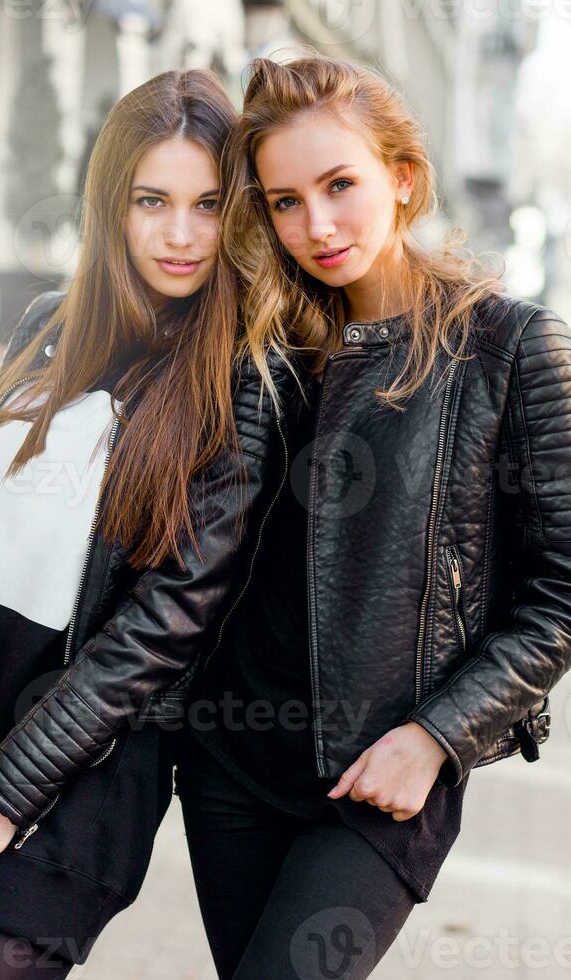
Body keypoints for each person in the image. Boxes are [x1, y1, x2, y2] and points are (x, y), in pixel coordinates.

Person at [175, 54, 571, 980]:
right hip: (230, 769)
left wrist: (437, 737)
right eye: (282, 201)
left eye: (339, 184)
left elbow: (559, 594)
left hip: (379, 780)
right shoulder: (260, 346)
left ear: (401, 177)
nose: (315, 225)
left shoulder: (509, 348)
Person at [0, 68, 296, 976]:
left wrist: (4, 794)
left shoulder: (241, 375)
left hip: (72, 780)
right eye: (151, 199)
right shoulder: (49, 322)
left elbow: (164, 627)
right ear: (109, 204)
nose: (179, 233)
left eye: (208, 205)